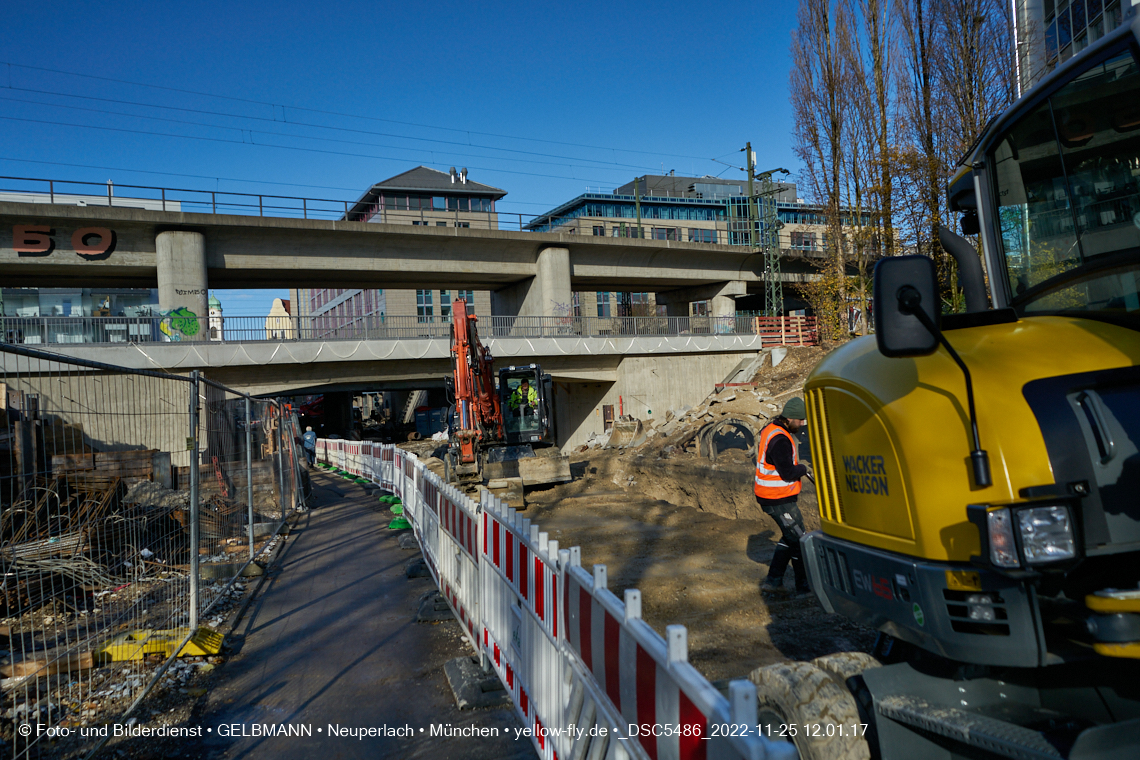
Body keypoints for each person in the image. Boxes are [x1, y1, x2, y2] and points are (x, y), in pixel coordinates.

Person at [756, 397, 814, 597]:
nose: (802, 423)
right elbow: (788, 472)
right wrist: (804, 468)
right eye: (800, 420)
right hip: (777, 498)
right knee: (799, 539)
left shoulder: (773, 428)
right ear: (789, 419)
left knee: (791, 536)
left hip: (774, 495)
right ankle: (803, 587)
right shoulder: (780, 439)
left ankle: (774, 581)